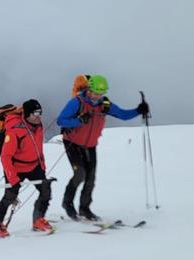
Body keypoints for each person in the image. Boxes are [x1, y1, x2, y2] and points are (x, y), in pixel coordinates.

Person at [55, 74, 149, 221]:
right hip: (73, 143)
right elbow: (61, 121)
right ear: (89, 89)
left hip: (90, 145)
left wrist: (138, 110)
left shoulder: (104, 104)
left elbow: (123, 115)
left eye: (101, 93)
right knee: (80, 174)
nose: (98, 96)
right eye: (95, 92)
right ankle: (67, 203)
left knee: (91, 178)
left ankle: (85, 209)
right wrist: (79, 120)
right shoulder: (76, 102)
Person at [0, 99, 52, 237]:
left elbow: (38, 148)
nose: (39, 116)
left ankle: (38, 219)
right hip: (16, 167)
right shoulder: (15, 130)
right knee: (10, 196)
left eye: (40, 112)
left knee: (45, 190)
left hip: (34, 165)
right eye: (35, 113)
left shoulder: (38, 126)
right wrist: (12, 178)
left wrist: (42, 167)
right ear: (27, 114)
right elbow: (5, 157)